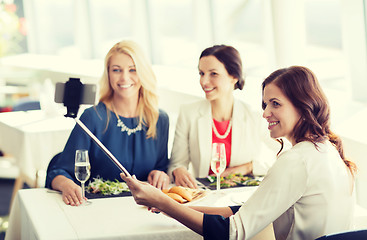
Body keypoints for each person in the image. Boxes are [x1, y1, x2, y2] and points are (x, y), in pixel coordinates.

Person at [121, 66, 357, 240]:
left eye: (276, 103)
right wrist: (169, 206)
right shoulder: (327, 150)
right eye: (265, 104)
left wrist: (162, 200)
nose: (265, 113)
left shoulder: (297, 160)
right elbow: (246, 211)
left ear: (303, 105)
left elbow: (232, 233)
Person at [46, 40, 170, 206]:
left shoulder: (159, 119)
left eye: (133, 69)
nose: (124, 77)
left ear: (144, 73)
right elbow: (59, 172)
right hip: (100, 209)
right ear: (108, 74)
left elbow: (162, 167)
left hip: (146, 210)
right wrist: (67, 185)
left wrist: (161, 174)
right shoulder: (92, 117)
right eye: (116, 70)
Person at [168, 44, 277, 188]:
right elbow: (176, 163)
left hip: (242, 196)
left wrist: (248, 167)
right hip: (204, 194)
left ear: (234, 77)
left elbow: (286, 153)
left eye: (213, 74)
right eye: (201, 73)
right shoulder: (188, 113)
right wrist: (178, 171)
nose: (204, 81)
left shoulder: (254, 116)